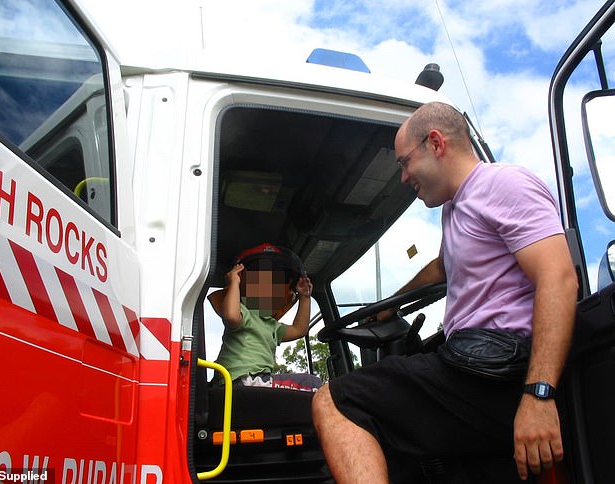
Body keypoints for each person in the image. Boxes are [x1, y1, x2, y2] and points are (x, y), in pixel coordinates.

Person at [312, 102, 578, 482]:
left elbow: (559, 277)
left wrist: (538, 395)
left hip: (498, 372)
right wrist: (388, 307)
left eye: (404, 162)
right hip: (472, 363)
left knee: (336, 402)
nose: (404, 177)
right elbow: (441, 267)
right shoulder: (456, 207)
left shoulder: (503, 184)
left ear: (435, 143)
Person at [210, 243, 321, 390]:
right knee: (312, 384)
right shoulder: (244, 313)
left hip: (255, 381)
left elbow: (299, 329)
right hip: (241, 379)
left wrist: (304, 297)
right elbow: (230, 315)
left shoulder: (271, 325)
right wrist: (234, 283)